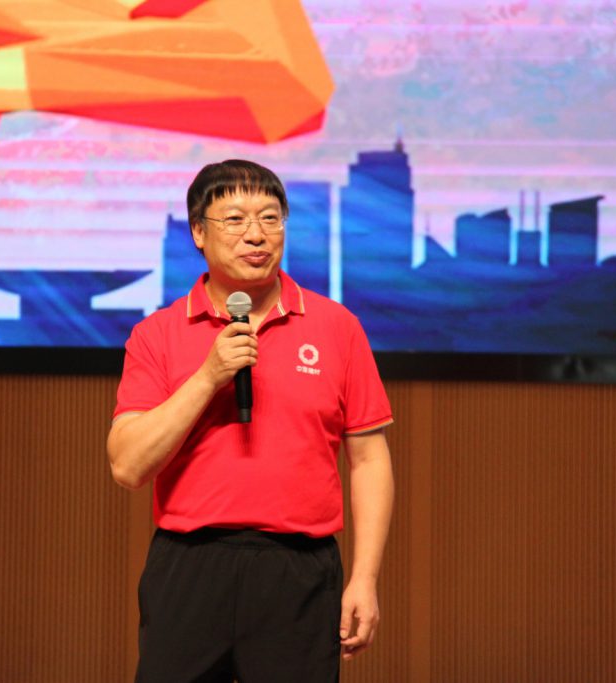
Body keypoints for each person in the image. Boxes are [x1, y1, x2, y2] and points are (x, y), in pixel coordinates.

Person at [107, 159, 395, 683]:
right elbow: (128, 466)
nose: (256, 235)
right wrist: (207, 377)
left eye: (270, 218)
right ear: (198, 232)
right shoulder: (158, 334)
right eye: (235, 219)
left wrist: (365, 578)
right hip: (190, 565)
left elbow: (369, 460)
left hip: (300, 569)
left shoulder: (337, 327)